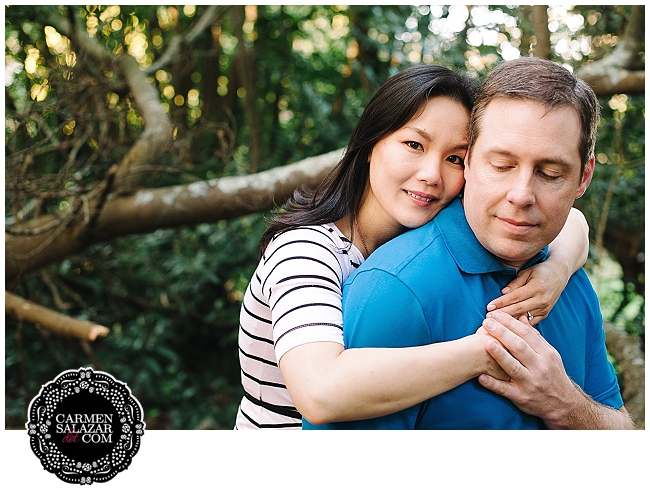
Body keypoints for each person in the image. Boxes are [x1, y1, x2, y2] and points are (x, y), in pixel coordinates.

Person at [235, 64, 590, 430]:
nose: (431, 174)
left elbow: (573, 221)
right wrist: (487, 351)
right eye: (414, 145)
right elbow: (320, 393)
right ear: (372, 144)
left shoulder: (432, 236)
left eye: (454, 157)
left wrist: (555, 270)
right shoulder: (305, 251)